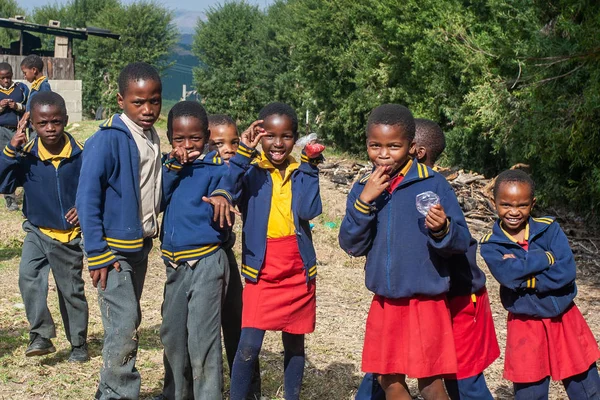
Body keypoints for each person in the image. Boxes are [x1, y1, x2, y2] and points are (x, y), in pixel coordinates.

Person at [339, 104, 472, 400]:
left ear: (412, 147)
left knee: (431, 384)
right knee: (388, 379)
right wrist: (364, 202)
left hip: (426, 300)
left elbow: (462, 240)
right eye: (376, 146)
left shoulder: (433, 183)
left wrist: (442, 229)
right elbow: (351, 244)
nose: (383, 154)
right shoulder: (364, 187)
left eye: (394, 146)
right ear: (367, 145)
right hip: (386, 301)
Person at [76, 62, 163, 400]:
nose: (147, 110)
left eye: (154, 101)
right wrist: (96, 252)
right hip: (111, 251)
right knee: (125, 324)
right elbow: (87, 197)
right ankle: (117, 394)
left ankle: (108, 389)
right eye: (138, 102)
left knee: (125, 320)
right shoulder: (107, 140)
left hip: (138, 246)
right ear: (120, 101)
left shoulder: (152, 136)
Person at [227, 102, 325, 400]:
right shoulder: (252, 172)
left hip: (297, 269)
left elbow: (309, 209)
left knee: (295, 344)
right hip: (263, 269)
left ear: (295, 139)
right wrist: (243, 151)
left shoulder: (300, 171)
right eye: (270, 135)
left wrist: (309, 167)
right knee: (248, 345)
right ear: (259, 136)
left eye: (286, 136)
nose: (278, 143)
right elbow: (226, 188)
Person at [480, 169, 600, 400]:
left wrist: (523, 273)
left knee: (587, 388)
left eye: (522, 205)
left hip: (564, 317)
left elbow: (566, 272)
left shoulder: (549, 228)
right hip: (526, 324)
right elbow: (508, 277)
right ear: (493, 202)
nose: (514, 212)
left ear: (532, 204)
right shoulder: (491, 244)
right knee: (530, 392)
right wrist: (545, 258)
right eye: (506, 205)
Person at [0, 91, 89, 362]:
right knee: (28, 278)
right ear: (31, 124)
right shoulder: (25, 156)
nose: (50, 128)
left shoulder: (81, 155)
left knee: (70, 291)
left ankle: (78, 343)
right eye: (42, 123)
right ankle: (40, 334)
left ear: (65, 119)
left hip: (68, 237)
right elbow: (4, 185)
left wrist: (82, 207)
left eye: (56, 122)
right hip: (37, 231)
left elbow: (94, 189)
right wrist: (11, 150)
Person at [159, 102, 237, 399]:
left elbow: (226, 187)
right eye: (179, 139)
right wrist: (174, 168)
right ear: (170, 138)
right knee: (173, 336)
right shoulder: (168, 168)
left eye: (195, 138)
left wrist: (221, 196)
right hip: (175, 265)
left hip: (206, 262)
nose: (187, 145)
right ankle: (177, 394)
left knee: (203, 342)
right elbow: (158, 198)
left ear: (206, 136)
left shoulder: (216, 167)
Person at [207, 113, 261, 399]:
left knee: (237, 326)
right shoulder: (200, 172)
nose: (228, 148)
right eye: (219, 143)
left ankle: (249, 390)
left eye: (234, 142)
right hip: (199, 260)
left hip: (226, 256)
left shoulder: (242, 174)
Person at [0, 62, 29, 211]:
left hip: (18, 131)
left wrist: (16, 106)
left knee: (22, 161)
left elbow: (29, 107)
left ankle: (27, 197)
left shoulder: (21, 88)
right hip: (1, 132)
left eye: (8, 77)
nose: (6, 81)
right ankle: (10, 198)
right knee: (7, 163)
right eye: (3, 78)